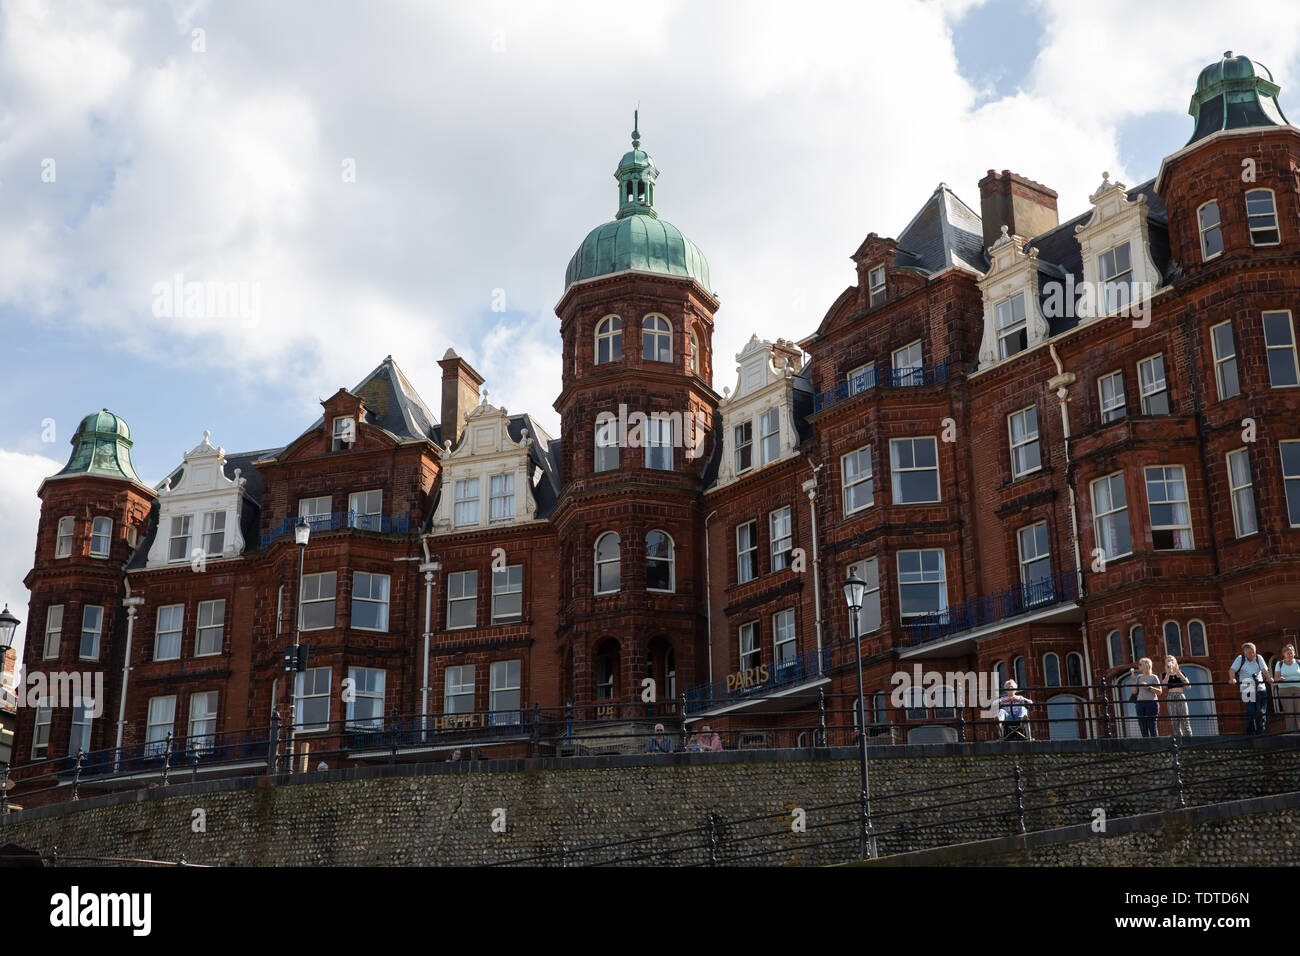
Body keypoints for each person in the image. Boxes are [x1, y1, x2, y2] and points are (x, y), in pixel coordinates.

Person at [1229, 642, 1272, 735]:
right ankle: (1251, 731)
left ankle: (1262, 731)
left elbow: (1264, 670)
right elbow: (1232, 670)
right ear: (1245, 652)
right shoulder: (1240, 659)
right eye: (1249, 652)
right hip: (1247, 688)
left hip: (1260, 688)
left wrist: (1268, 677)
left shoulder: (1258, 658)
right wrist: (1232, 678)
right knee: (1251, 711)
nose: (1252, 654)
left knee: (1261, 711)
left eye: (1253, 652)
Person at [1162, 656, 1192, 738]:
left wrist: (1181, 676)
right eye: (1168, 660)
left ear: (1175, 662)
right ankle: (1178, 739)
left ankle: (1189, 739)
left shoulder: (1181, 672)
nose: (1170, 662)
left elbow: (1189, 687)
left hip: (1180, 694)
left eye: (1172, 660)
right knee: (1174, 720)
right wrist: (1168, 674)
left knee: (1185, 718)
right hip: (1171, 695)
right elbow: (1164, 686)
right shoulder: (1165, 674)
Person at [1132, 658, 1163, 737]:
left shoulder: (1153, 677)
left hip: (1151, 702)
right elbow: (1134, 692)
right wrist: (1133, 681)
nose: (1138, 666)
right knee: (1142, 724)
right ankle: (1146, 743)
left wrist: (1149, 687)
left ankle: (1156, 743)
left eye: (1140, 664)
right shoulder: (1139, 677)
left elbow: (1160, 692)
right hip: (1140, 703)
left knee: (1151, 724)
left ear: (1146, 665)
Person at [1273, 644, 1300, 732]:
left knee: (1298, 712)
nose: (1290, 655)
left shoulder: (1298, 663)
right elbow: (1276, 678)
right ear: (1283, 654)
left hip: (1298, 689)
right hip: (1285, 690)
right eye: (1288, 653)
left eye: (1291, 653)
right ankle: (1291, 732)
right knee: (1289, 712)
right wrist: (1279, 679)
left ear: (1294, 653)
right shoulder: (1279, 664)